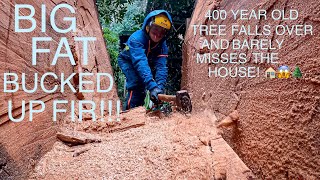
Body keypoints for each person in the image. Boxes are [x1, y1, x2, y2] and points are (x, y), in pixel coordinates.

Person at [118, 10, 173, 110]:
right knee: (136, 84)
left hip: (147, 62)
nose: (158, 34)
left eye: (162, 31)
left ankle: (141, 110)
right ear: (148, 26)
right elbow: (140, 63)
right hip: (128, 61)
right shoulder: (136, 39)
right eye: (156, 29)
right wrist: (152, 87)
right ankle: (129, 113)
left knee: (147, 87)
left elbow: (161, 67)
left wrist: (159, 89)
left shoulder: (162, 45)